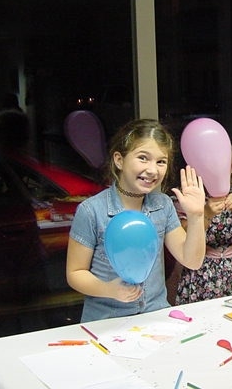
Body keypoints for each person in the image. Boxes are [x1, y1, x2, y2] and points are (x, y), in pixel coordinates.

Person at [66, 119, 206, 322]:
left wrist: (196, 216)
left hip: (154, 318)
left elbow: (192, 260)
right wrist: (109, 289)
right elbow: (75, 273)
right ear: (119, 160)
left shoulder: (163, 205)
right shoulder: (91, 210)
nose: (153, 170)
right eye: (143, 158)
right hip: (107, 321)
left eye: (161, 162)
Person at [0, 109, 48, 303]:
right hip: (28, 243)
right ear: (26, 138)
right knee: (33, 302)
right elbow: (38, 198)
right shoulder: (31, 166)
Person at [175, 155, 232, 304]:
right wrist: (206, 213)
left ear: (231, 167)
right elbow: (183, 237)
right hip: (200, 274)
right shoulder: (190, 197)